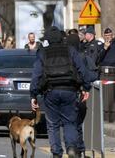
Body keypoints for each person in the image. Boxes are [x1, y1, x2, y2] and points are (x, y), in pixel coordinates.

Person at [30, 26, 92, 158]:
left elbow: (36, 75)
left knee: (53, 125)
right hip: (69, 90)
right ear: (61, 38)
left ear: (47, 40)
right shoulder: (71, 50)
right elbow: (82, 70)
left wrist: (33, 95)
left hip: (50, 91)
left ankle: (57, 153)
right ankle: (70, 148)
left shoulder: (42, 52)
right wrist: (86, 88)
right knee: (70, 122)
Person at [66, 33, 99, 157]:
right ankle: (78, 149)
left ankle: (72, 147)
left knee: (69, 124)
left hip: (67, 94)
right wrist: (86, 87)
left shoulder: (64, 58)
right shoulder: (83, 57)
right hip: (80, 95)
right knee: (77, 124)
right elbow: (92, 75)